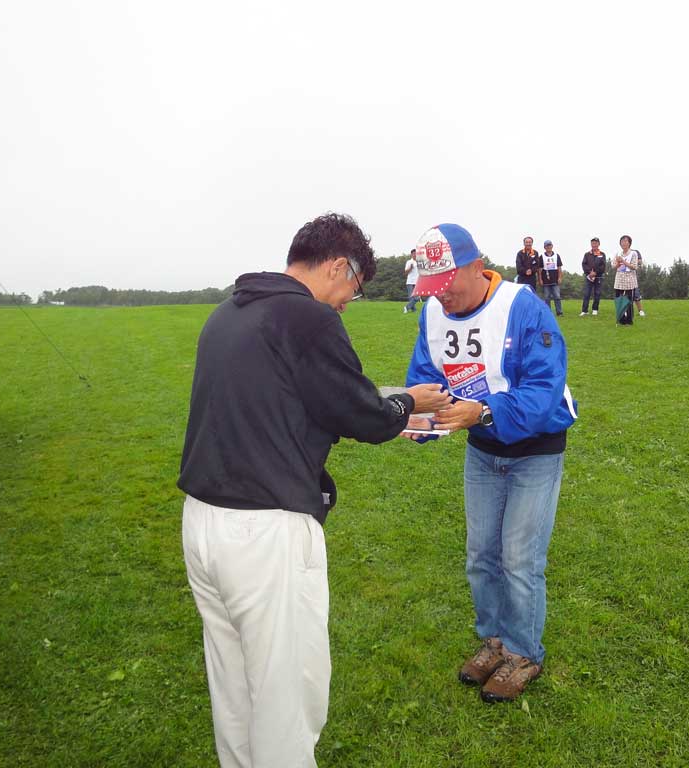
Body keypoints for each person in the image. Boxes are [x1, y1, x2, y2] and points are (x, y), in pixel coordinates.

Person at [177, 213, 451, 768]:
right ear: (337, 267)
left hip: (202, 522)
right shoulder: (308, 318)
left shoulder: (228, 312)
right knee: (287, 696)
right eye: (355, 286)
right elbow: (362, 415)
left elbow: (288, 397)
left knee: (234, 687)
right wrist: (408, 402)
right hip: (264, 533)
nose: (349, 302)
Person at [405, 222, 577, 704]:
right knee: (481, 554)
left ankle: (523, 653)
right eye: (431, 288)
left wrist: (482, 412)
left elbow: (543, 390)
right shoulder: (433, 313)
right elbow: (426, 377)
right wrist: (419, 416)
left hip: (535, 448)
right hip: (482, 450)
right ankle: (494, 640)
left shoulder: (523, 307)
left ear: (477, 267)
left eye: (447, 285)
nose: (440, 297)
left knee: (519, 558)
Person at [613, 235, 640, 325]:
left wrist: (624, 262)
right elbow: (613, 266)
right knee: (619, 299)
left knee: (628, 300)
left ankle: (629, 320)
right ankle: (621, 319)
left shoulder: (633, 253)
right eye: (622, 241)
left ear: (629, 243)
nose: (624, 243)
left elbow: (634, 266)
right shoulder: (618, 253)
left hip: (629, 278)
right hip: (619, 278)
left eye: (626, 241)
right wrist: (618, 263)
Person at [580, 237, 606, 316]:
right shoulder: (587, 254)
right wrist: (589, 272)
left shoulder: (602, 254)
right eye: (593, 243)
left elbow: (603, 266)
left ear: (599, 244)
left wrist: (595, 272)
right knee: (587, 293)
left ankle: (595, 309)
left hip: (598, 277)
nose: (594, 245)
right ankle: (584, 310)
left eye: (596, 243)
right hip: (589, 277)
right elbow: (584, 264)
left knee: (597, 293)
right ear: (591, 244)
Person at [539, 239, 564, 316]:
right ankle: (548, 313)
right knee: (547, 297)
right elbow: (539, 269)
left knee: (557, 296)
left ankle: (559, 312)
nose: (548, 247)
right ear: (544, 247)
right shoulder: (542, 256)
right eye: (547, 246)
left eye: (549, 245)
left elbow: (559, 268)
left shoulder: (556, 255)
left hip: (555, 279)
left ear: (552, 246)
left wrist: (560, 277)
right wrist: (540, 279)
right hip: (546, 280)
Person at [403, 248, 420, 313]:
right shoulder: (409, 262)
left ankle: (408, 308)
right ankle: (413, 309)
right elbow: (406, 272)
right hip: (410, 282)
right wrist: (411, 268)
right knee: (412, 298)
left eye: (416, 253)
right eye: (414, 254)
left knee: (417, 298)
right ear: (412, 254)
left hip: (417, 282)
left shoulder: (419, 262)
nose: (415, 255)